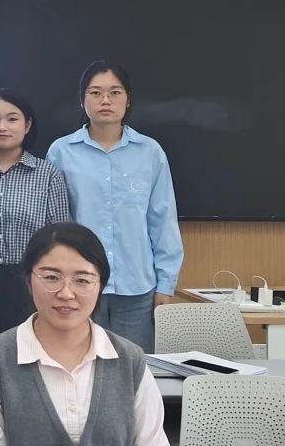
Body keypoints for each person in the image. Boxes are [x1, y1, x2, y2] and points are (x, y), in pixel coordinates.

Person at [0, 221, 173, 446]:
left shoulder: (130, 360)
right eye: (51, 278)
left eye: (82, 280)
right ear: (29, 281)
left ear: (100, 285)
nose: (66, 293)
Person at [46, 61, 184, 351]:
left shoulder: (150, 152)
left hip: (137, 287)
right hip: (77, 286)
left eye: (115, 92)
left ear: (128, 99)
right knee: (79, 368)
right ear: (82, 100)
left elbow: (162, 220)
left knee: (132, 369)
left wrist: (166, 284)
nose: (105, 100)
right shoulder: (61, 152)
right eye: (95, 92)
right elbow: (55, 225)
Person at [0, 90, 72, 349]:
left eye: (12, 119)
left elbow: (60, 239)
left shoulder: (48, 175)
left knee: (26, 355)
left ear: (27, 125)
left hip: (27, 283)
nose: (2, 127)